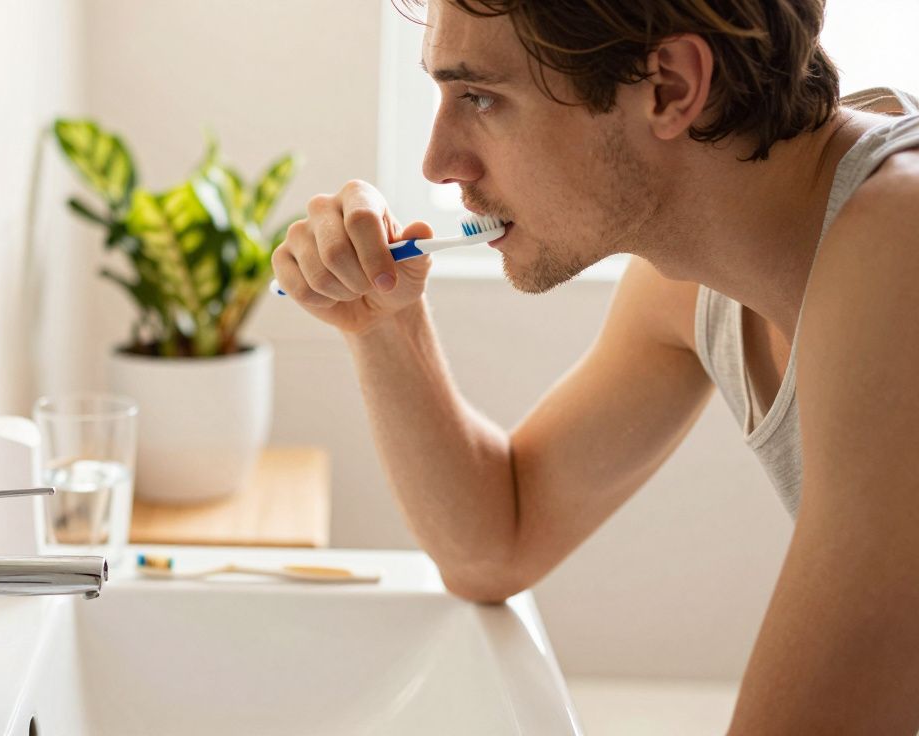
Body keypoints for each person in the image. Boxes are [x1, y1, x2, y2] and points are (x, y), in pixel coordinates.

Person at [269, 0, 919, 731]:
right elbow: (496, 543)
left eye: (480, 96)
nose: (438, 162)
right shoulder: (690, 277)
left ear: (669, 87)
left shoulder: (900, 246)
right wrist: (386, 321)